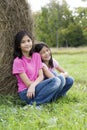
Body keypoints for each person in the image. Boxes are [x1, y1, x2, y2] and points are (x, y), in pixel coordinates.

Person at [12, 30, 64, 106]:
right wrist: (32, 85)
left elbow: (41, 76)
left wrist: (33, 85)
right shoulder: (18, 61)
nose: (27, 44)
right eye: (23, 42)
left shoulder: (36, 56)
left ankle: (48, 100)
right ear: (18, 45)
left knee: (61, 79)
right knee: (55, 80)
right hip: (26, 92)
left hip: (35, 86)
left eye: (28, 41)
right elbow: (28, 83)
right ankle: (34, 104)